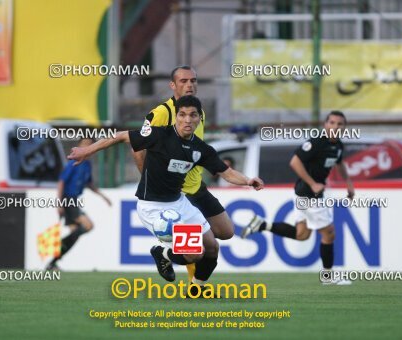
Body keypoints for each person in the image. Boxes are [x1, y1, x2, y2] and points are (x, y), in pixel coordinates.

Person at [68, 96, 264, 294]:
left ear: (199, 119)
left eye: (193, 115)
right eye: (182, 115)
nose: (187, 120)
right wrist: (87, 150)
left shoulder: (201, 149)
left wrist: (248, 181)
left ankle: (196, 290)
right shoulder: (158, 135)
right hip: (152, 207)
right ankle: (163, 252)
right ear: (176, 117)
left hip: (179, 203)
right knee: (195, 254)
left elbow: (227, 172)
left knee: (212, 247)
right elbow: (120, 136)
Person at [132, 65, 235, 281]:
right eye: (183, 81)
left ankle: (173, 252)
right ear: (173, 85)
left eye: (193, 81)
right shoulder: (162, 113)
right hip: (174, 193)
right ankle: (195, 284)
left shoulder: (199, 112)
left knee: (225, 232)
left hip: (195, 186)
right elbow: (138, 148)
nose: (189, 85)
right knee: (199, 248)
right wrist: (150, 180)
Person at [241, 111, 354, 285]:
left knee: (302, 234)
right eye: (332, 123)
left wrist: (348, 183)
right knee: (329, 233)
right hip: (310, 193)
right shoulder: (317, 142)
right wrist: (313, 183)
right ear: (326, 124)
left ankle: (262, 224)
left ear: (344, 127)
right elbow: (295, 161)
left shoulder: (338, 145)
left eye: (340, 124)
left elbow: (339, 164)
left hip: (303, 193)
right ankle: (328, 276)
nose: (335, 127)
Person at [46, 138, 112, 270]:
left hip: (74, 200)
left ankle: (53, 262)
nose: (87, 148)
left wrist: (103, 197)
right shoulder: (73, 163)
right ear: (80, 147)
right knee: (88, 225)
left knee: (75, 234)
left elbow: (89, 184)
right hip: (68, 199)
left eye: (90, 145)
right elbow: (61, 182)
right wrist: (59, 203)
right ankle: (56, 246)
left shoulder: (87, 165)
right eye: (84, 145)